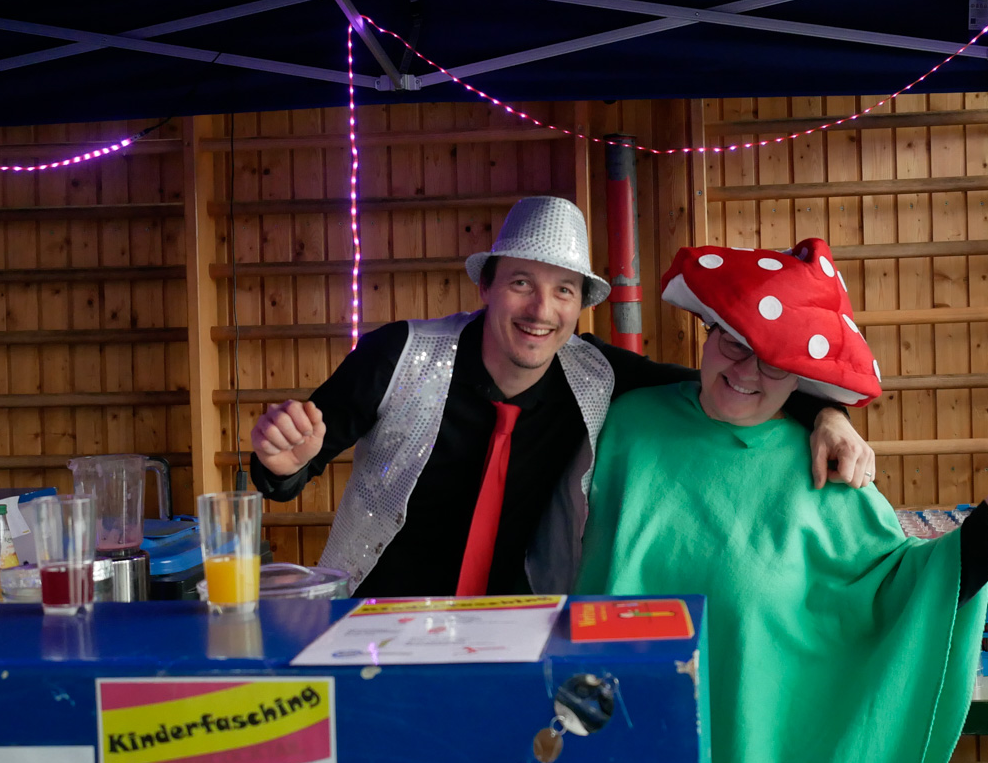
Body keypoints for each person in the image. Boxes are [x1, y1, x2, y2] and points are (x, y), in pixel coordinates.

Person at [573, 237, 988, 763]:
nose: (747, 369)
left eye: (776, 362)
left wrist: (985, 537)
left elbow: (893, 588)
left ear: (800, 375)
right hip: (607, 728)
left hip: (747, 757)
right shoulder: (625, 422)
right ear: (709, 330)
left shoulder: (825, 468)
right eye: (734, 340)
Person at [249, 197, 875, 598]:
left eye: (564, 291)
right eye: (522, 282)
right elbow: (291, 464)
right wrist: (281, 464)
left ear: (580, 306)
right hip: (380, 621)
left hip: (521, 631)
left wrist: (825, 412)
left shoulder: (596, 372)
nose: (541, 310)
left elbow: (724, 380)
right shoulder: (397, 354)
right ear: (487, 285)